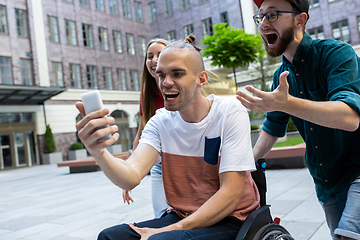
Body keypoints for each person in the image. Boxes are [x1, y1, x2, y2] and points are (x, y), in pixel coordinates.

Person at [76, 35, 260, 240]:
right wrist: (98, 152)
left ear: (201, 79)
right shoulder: (160, 121)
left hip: (231, 218)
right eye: (161, 75)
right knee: (110, 236)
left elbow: (231, 194)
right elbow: (131, 175)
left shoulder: (229, 111)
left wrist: (171, 229)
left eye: (177, 74)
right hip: (182, 215)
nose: (166, 82)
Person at [236, 0, 360, 239]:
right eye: (260, 17)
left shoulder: (337, 54)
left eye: (271, 15)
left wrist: (287, 103)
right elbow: (272, 128)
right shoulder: (280, 77)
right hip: (327, 182)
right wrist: (244, 167)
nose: (263, 24)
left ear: (300, 20)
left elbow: (350, 117)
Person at [122, 38, 170, 219]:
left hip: (184, 162)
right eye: (150, 56)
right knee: (161, 216)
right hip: (158, 165)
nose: (154, 60)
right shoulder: (147, 94)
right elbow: (141, 134)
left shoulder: (182, 87)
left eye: (160, 54)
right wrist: (129, 174)